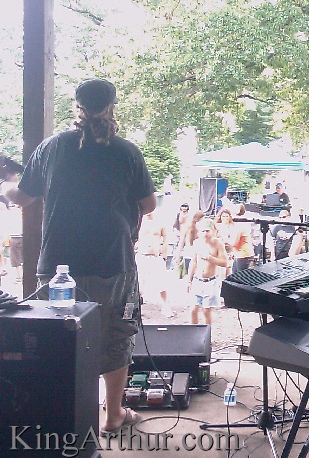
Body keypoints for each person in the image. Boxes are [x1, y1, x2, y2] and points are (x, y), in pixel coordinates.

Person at [1, 78, 156, 436]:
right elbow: (148, 204)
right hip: (111, 261)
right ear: (112, 107)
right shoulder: (127, 152)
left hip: (58, 263)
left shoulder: (51, 148)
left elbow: (21, 197)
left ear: (77, 108)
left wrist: (7, 183)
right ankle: (113, 414)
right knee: (115, 334)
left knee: (57, 336)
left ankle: (59, 412)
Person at [187, 219, 227, 325]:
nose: (205, 233)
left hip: (211, 281)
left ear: (214, 231)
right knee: (193, 309)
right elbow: (193, 262)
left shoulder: (218, 244)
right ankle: (193, 333)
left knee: (206, 311)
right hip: (197, 280)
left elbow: (224, 263)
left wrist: (209, 257)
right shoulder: (197, 243)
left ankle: (206, 335)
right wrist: (189, 280)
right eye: (203, 231)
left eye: (207, 231)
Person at [136, 211, 173, 317]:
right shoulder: (139, 221)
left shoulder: (160, 222)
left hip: (155, 256)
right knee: (137, 284)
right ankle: (135, 308)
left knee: (162, 283)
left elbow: (166, 239)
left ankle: (166, 306)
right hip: (141, 255)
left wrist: (165, 255)